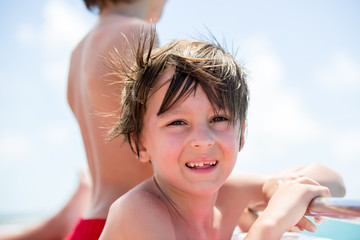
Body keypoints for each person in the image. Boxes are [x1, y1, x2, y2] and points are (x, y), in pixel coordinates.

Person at [98, 30, 345, 239]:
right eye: (178, 122)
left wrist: (276, 187)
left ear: (242, 134)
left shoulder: (228, 194)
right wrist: (271, 223)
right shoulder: (137, 212)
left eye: (219, 119)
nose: (203, 140)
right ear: (140, 143)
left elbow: (333, 181)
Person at [0, 1, 167, 240]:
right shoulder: (137, 32)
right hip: (134, 224)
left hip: (90, 224)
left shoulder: (77, 52)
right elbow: (165, 142)